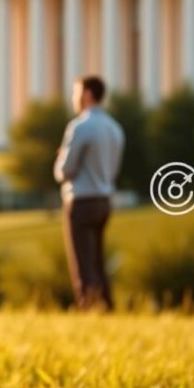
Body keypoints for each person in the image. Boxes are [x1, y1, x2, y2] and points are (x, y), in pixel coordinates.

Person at [53, 75, 125, 311]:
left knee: (83, 262)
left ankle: (89, 307)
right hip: (104, 199)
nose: (73, 98)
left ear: (87, 94)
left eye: (75, 93)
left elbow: (64, 171)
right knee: (98, 259)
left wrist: (61, 157)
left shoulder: (80, 126)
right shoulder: (115, 128)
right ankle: (106, 305)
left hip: (81, 200)